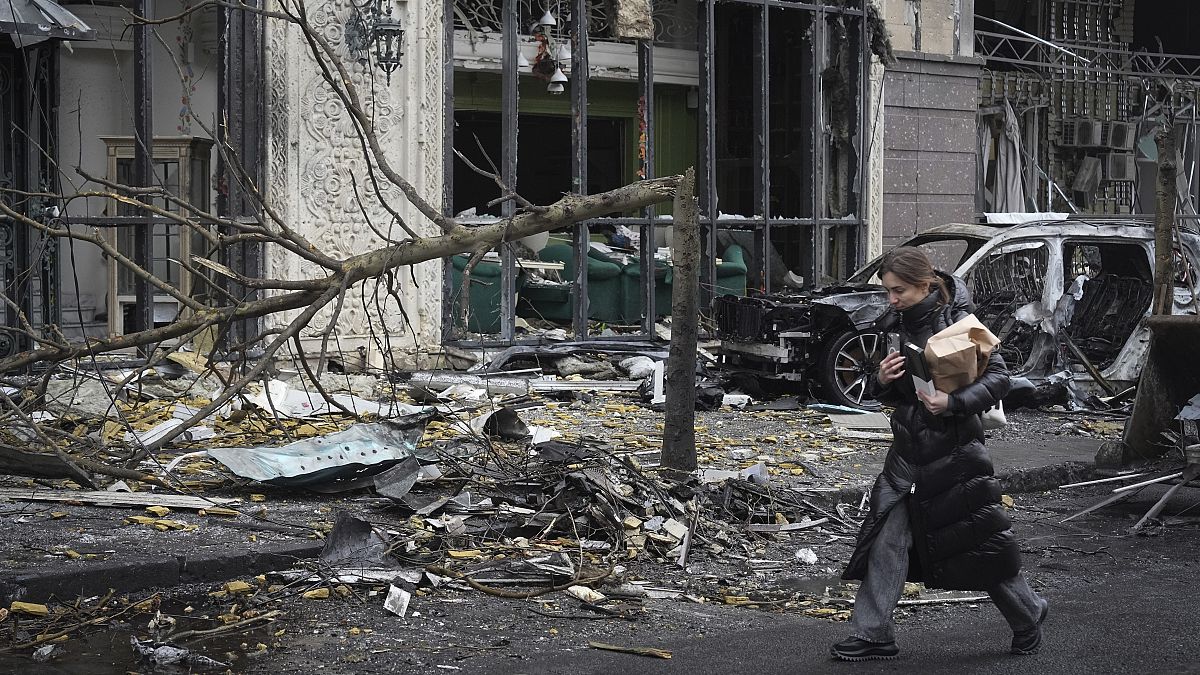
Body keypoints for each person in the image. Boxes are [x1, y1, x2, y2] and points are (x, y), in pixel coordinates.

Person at [830, 246, 1047, 662]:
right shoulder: (893, 324)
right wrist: (880, 380)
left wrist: (954, 403)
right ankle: (873, 634)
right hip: (906, 456)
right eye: (887, 291)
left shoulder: (958, 321)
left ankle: (1028, 614)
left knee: (976, 545)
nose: (891, 299)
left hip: (955, 459)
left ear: (924, 284)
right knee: (886, 540)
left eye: (898, 291)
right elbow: (891, 392)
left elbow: (1001, 377)